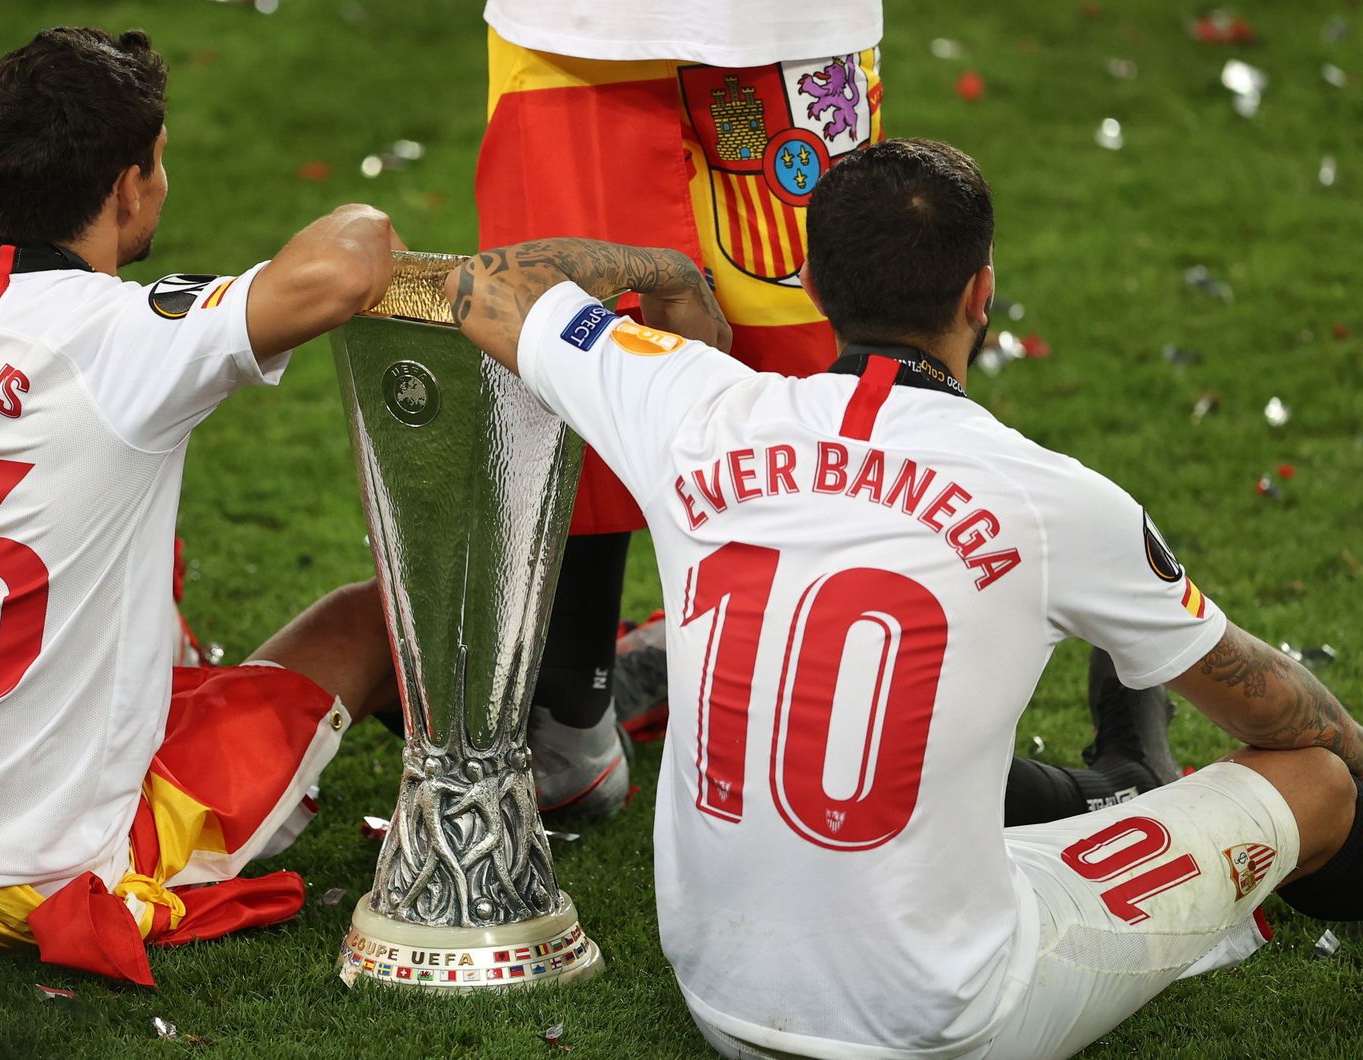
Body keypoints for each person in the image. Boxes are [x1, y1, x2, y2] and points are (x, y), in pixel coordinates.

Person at [446, 140, 1363, 1057]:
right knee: (1314, 781)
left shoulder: (689, 405)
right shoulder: (1054, 498)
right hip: (948, 1026)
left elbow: (487, 282)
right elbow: (1284, 717)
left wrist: (670, 273)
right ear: (981, 293)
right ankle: (1143, 789)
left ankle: (1125, 784)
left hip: (722, 1003)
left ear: (809, 283)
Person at [0, 27, 402, 986]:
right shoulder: (125, 339)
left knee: (143, 550)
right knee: (370, 618)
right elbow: (343, 268)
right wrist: (367, 210)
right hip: (21, 882)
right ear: (130, 185)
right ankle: (515, 781)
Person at [477, 1, 885, 816]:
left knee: (810, 363)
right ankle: (572, 708)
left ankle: (826, 693)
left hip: (789, 31)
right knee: (567, 347)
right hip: (572, 32)